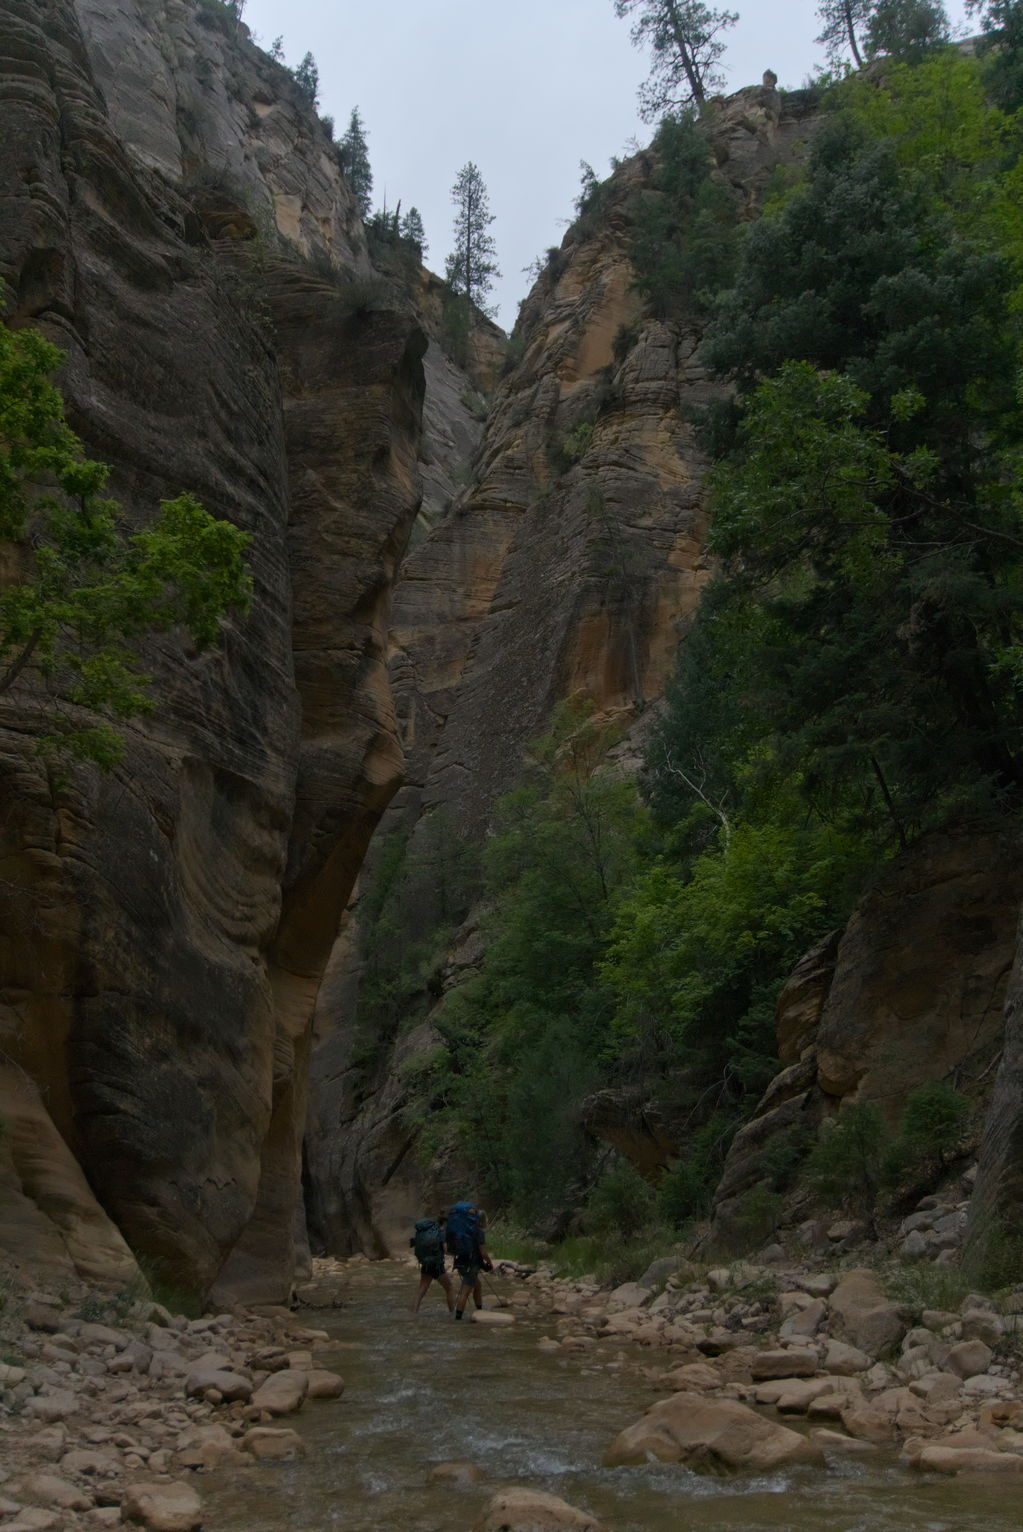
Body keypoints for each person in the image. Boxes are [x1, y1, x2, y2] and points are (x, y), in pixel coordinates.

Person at [446, 1201, 493, 1320]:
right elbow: (483, 1252)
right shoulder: (479, 1232)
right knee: (465, 1291)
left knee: (477, 1285)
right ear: (482, 1220)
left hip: (461, 1261)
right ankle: (458, 1318)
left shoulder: (466, 1231)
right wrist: (489, 1262)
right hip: (471, 1264)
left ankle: (479, 1309)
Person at [410, 1212, 454, 1315]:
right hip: (437, 1266)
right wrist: (455, 1252)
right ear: (445, 1223)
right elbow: (446, 1250)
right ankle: (453, 1313)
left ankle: (413, 1313)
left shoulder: (429, 1231)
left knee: (421, 1290)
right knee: (450, 1288)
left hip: (426, 1264)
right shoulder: (441, 1232)